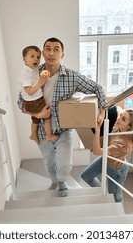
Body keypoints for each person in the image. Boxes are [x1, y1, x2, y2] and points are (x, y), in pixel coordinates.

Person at [17, 37, 107, 197]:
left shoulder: (72, 77)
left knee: (65, 164)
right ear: (43, 53)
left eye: (56, 49)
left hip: (63, 130)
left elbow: (97, 88)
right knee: (49, 163)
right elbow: (20, 102)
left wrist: (102, 109)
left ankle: (62, 181)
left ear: (62, 54)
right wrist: (38, 114)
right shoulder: (33, 74)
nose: (51, 53)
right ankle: (54, 181)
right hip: (42, 132)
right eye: (47, 49)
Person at [81, 107, 133, 203]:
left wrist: (97, 130)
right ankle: (104, 195)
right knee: (86, 176)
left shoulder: (124, 144)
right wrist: (102, 112)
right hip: (106, 158)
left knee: (116, 197)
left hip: (116, 169)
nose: (118, 119)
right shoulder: (118, 128)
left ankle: (119, 215)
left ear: (129, 126)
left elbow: (96, 151)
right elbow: (117, 108)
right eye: (120, 116)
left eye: (123, 119)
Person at [20, 45, 59, 144]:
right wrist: (40, 83)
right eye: (32, 56)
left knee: (35, 119)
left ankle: (33, 135)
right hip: (34, 101)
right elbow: (29, 91)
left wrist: (45, 78)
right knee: (47, 116)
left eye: (38, 57)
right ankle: (49, 135)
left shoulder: (33, 69)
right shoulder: (26, 73)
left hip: (34, 100)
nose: (36, 59)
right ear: (24, 59)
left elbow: (37, 81)